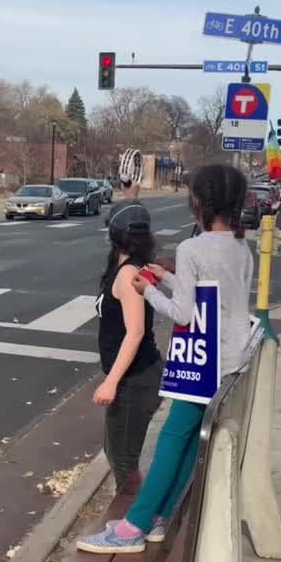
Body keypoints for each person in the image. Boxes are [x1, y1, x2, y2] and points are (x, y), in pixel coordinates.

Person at [76, 163, 252, 554]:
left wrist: (148, 288)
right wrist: (168, 278)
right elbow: (216, 295)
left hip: (204, 362)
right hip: (233, 357)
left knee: (173, 439)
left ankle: (132, 528)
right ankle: (159, 515)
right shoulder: (241, 247)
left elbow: (185, 314)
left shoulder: (192, 248)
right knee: (189, 441)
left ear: (198, 203)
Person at [94, 201, 162, 492]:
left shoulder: (127, 275)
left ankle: (136, 522)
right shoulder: (131, 267)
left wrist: (111, 382)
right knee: (115, 449)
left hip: (136, 381)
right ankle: (135, 516)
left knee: (123, 460)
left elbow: (134, 332)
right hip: (134, 378)